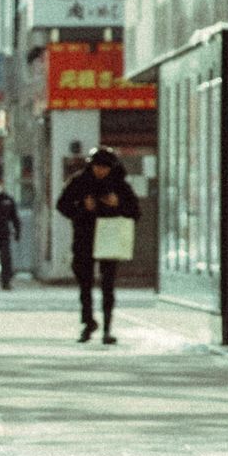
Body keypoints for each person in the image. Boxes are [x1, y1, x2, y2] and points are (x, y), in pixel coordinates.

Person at [56, 147, 140, 344]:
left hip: (109, 237)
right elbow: (62, 205)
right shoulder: (79, 181)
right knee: (84, 282)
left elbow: (135, 212)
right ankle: (88, 322)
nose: (101, 171)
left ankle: (108, 328)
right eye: (97, 167)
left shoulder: (120, 185)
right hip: (84, 235)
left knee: (108, 284)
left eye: (105, 168)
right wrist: (81, 209)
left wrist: (117, 204)